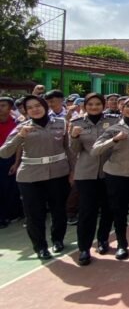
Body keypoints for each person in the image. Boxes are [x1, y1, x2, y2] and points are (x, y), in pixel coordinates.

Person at [0, 95, 70, 259]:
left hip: (58, 173)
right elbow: (4, 152)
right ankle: (40, 247)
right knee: (34, 214)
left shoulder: (61, 123)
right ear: (25, 111)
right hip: (30, 176)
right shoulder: (22, 127)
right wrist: (20, 136)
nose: (35, 109)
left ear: (45, 106)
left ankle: (58, 239)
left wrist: (73, 172)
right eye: (30, 107)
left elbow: (69, 149)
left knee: (59, 210)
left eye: (38, 105)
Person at [92, 97, 129, 260]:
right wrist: (114, 139)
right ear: (122, 108)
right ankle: (121, 244)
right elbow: (95, 150)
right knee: (119, 210)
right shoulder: (113, 128)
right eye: (127, 106)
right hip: (117, 175)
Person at [68, 93, 120, 265]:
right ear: (84, 106)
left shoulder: (114, 121)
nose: (94, 107)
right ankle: (84, 248)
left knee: (108, 209)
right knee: (87, 211)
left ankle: (103, 239)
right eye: (90, 104)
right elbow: (74, 150)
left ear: (103, 105)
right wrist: (74, 137)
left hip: (109, 171)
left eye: (98, 104)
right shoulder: (77, 123)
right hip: (86, 173)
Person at [0, 96, 22, 229]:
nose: (0, 108)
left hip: (10, 159)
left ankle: (12, 214)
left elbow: (19, 145)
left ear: (10, 108)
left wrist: (16, 162)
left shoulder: (17, 123)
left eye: (3, 105)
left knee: (9, 188)